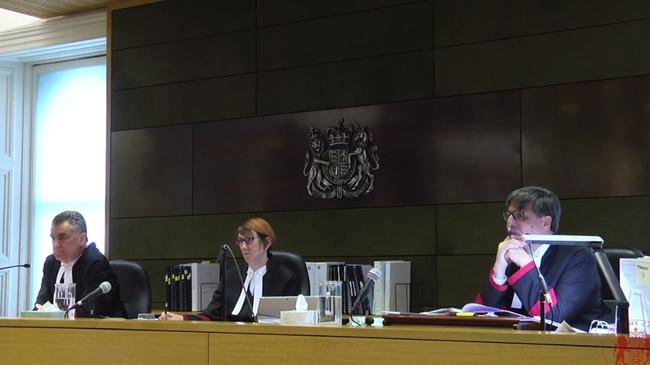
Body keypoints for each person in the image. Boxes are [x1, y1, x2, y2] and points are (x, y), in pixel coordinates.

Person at [476, 186, 610, 331]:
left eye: (519, 215)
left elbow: (553, 319)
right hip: (519, 342)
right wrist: (499, 268)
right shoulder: (511, 252)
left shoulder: (578, 258)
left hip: (576, 346)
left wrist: (526, 264)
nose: (510, 222)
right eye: (508, 215)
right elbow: (482, 315)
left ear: (546, 222)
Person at [159, 217, 302, 321]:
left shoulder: (287, 279)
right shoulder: (231, 277)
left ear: (267, 242)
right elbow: (210, 315)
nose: (244, 246)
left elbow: (291, 322)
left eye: (249, 240)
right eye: (240, 241)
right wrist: (182, 319)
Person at [34, 211, 126, 318]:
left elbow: (89, 311)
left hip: (104, 331)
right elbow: (40, 305)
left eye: (62, 238)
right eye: (53, 238)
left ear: (81, 239)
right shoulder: (51, 263)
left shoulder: (95, 263)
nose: (56, 244)